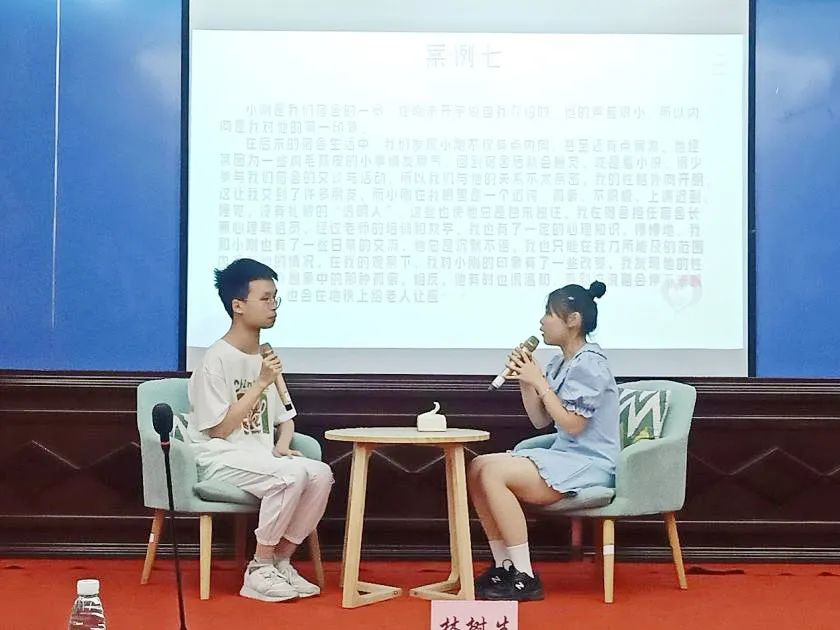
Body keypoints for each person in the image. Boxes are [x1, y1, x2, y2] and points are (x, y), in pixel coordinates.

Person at [186, 258, 333, 602]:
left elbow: (284, 416)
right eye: (265, 298)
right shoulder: (215, 359)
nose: (273, 306)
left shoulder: (264, 355)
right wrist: (260, 382)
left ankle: (280, 561)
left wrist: (282, 444)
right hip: (219, 456)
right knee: (290, 477)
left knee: (321, 474)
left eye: (275, 298)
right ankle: (258, 568)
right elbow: (219, 429)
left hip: (260, 456)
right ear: (238, 305)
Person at [468, 281, 619, 601]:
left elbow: (573, 424)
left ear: (573, 320)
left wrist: (540, 383)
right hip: (565, 456)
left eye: (549, 314)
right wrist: (527, 381)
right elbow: (540, 421)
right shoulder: (559, 363)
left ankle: (525, 575)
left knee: (494, 472)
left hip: (590, 463)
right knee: (477, 466)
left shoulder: (590, 363)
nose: (542, 321)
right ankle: (504, 565)